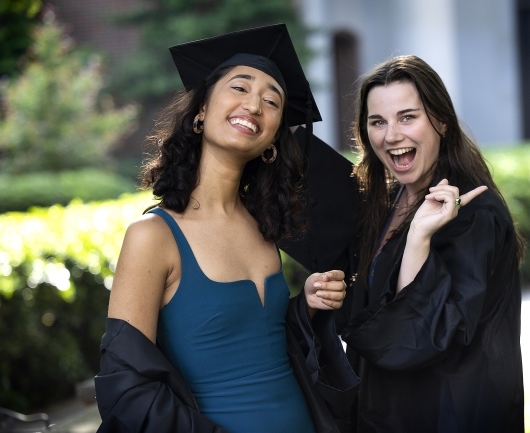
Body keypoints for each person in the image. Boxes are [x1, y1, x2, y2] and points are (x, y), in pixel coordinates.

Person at [94, 24, 358, 433]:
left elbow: (259, 341)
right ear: (201, 110)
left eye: (272, 101)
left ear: (272, 140)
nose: (254, 104)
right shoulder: (153, 237)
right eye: (239, 87)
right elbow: (126, 386)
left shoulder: (265, 228)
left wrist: (304, 306)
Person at [284, 55, 525, 432]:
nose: (391, 135)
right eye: (377, 121)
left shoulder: (472, 215)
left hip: (447, 414)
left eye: (407, 117)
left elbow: (419, 337)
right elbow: (366, 317)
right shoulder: (386, 204)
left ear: (441, 121)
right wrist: (324, 296)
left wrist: (419, 240)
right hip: (383, 412)